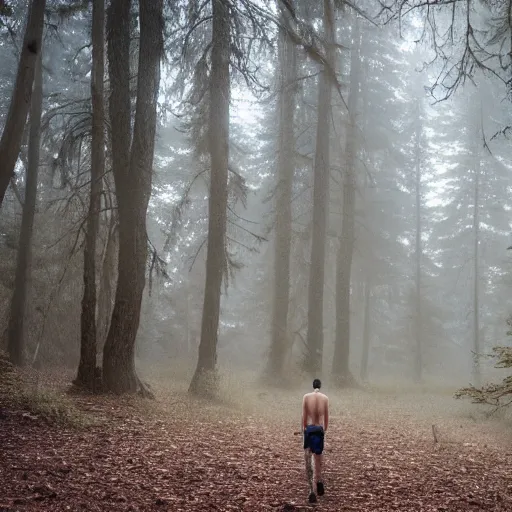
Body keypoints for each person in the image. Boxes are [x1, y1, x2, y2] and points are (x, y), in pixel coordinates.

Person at [302, 378, 329, 503]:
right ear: (320, 386)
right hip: (319, 430)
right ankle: (318, 480)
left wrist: (304, 429)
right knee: (318, 458)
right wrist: (323, 430)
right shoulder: (325, 398)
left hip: (309, 430)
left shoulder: (306, 397)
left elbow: (304, 418)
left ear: (312, 386)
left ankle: (311, 490)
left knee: (308, 459)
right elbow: (326, 422)